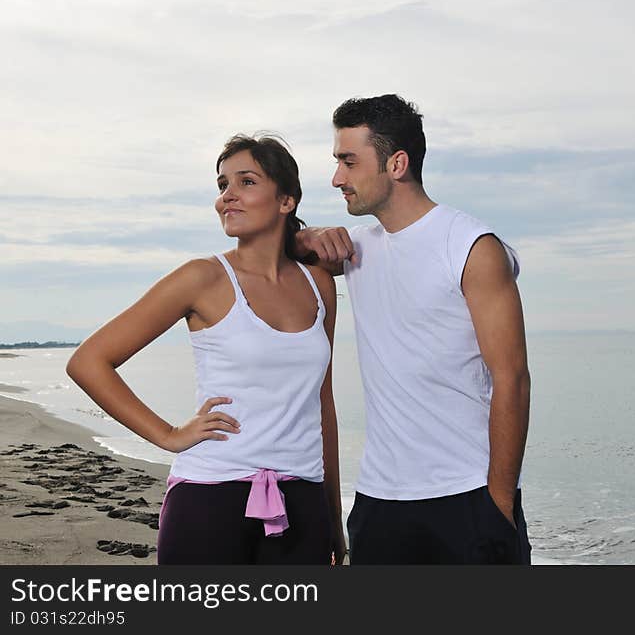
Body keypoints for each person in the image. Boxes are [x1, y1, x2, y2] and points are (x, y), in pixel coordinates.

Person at [66, 134, 346, 565]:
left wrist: (331, 513)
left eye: (246, 182)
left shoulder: (319, 284)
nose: (227, 197)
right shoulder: (202, 278)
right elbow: (89, 362)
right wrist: (168, 435)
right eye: (222, 186)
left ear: (286, 199)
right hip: (209, 497)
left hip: (302, 501)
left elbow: (321, 404)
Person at [297, 94, 531, 564]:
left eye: (348, 161)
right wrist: (306, 236)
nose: (337, 178)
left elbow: (513, 379)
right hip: (380, 500)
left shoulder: (470, 246)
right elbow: (284, 247)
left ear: (397, 163)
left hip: (467, 496)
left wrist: (498, 503)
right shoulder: (357, 248)